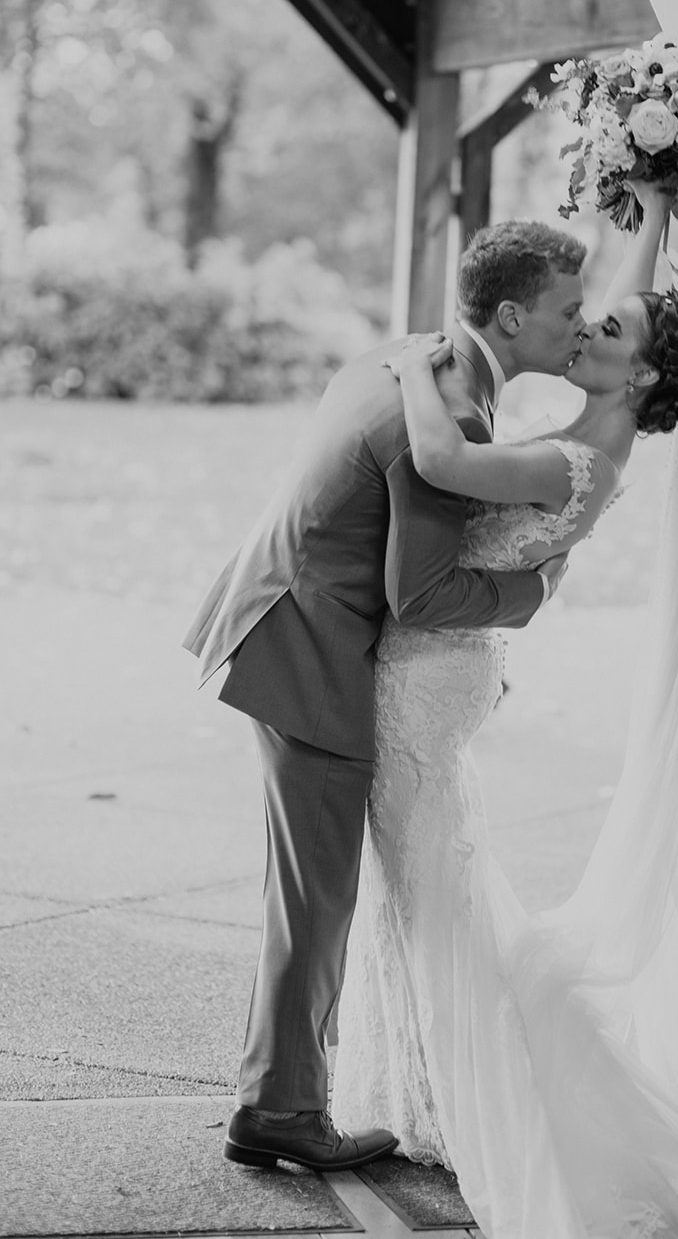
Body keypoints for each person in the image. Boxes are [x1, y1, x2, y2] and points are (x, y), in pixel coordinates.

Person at [333, 186, 678, 1236]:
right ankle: (429, 1087)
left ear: (646, 376)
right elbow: (625, 298)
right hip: (445, 670)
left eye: (607, 331)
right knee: (428, 883)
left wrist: (405, 364)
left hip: (427, 684)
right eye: (588, 317)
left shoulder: (573, 458)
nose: (586, 326)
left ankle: (469, 1097)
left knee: (427, 888)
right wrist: (658, 192)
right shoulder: (596, 424)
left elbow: (441, 461)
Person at [182, 220, 587, 1174]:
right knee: (317, 898)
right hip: (308, 648)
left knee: (306, 893)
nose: (582, 326)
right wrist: (531, 593)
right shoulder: (452, 410)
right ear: (514, 314)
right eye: (568, 312)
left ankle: (273, 1098)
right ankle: (280, 1111)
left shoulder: (405, 358)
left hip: (280, 613)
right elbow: (424, 593)